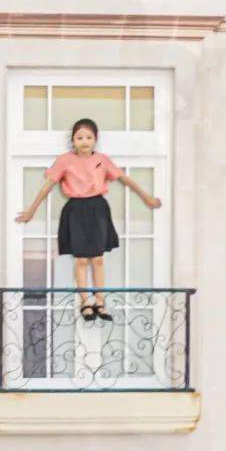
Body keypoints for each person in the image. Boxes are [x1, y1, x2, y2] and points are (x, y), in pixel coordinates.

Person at [16, 116, 161, 321]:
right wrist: (31, 210)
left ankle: (100, 301)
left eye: (89, 137)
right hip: (75, 209)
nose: (84, 141)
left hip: (98, 208)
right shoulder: (64, 160)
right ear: (73, 140)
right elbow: (47, 186)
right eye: (79, 137)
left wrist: (147, 197)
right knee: (81, 259)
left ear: (95, 139)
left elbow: (123, 178)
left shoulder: (102, 159)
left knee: (98, 259)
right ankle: (85, 301)